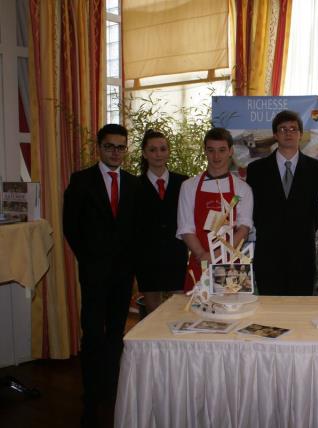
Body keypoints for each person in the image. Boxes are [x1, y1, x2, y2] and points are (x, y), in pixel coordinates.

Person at [62, 123, 139, 423]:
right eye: (110, 146)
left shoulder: (133, 184)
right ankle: (91, 391)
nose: (116, 152)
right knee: (93, 333)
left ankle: (111, 386)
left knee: (116, 333)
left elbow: (135, 230)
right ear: (99, 148)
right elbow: (71, 227)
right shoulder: (81, 181)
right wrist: (90, 259)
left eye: (121, 147)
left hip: (123, 274)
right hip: (94, 272)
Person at [246, 110, 318, 295]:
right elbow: (254, 210)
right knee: (270, 314)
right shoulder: (257, 169)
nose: (288, 133)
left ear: (300, 134)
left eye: (293, 129)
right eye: (283, 129)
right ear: (275, 135)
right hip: (268, 253)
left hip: (302, 253)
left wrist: (303, 228)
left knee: (299, 313)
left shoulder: (317, 169)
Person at [177, 128, 253, 290]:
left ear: (231, 151)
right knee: (197, 312)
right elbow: (185, 227)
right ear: (205, 151)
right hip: (200, 260)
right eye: (211, 150)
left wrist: (216, 256)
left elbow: (244, 229)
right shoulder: (189, 186)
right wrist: (202, 256)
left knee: (232, 312)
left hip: (231, 264)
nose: (216, 156)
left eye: (222, 150)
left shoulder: (242, 189)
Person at [135, 129, 188, 312]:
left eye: (163, 149)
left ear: (168, 151)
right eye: (153, 149)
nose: (158, 154)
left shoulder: (184, 182)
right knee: (153, 314)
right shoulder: (134, 185)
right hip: (147, 257)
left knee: (179, 311)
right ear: (144, 153)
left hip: (176, 254)